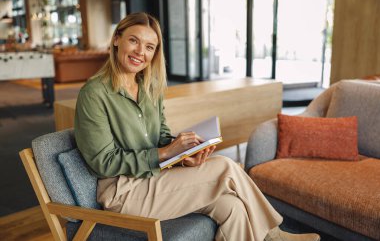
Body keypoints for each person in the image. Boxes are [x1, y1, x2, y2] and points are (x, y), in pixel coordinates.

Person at [74, 12, 320, 241]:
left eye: (149, 47)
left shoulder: (149, 87)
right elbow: (102, 162)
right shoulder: (94, 94)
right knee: (226, 165)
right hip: (123, 192)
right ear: (117, 39)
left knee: (232, 207)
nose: (141, 52)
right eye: (134, 41)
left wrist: (182, 156)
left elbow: (161, 137)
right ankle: (273, 235)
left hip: (157, 178)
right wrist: (164, 154)